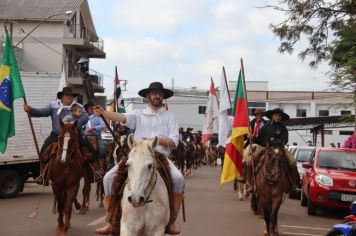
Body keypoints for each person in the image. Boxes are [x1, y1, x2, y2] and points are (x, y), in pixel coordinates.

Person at [95, 82, 184, 235]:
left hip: (160, 155)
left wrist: (155, 140)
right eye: (154, 93)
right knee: (108, 178)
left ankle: (171, 222)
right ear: (148, 96)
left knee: (178, 179)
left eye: (159, 93)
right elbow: (120, 117)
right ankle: (111, 220)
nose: (157, 95)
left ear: (163, 96)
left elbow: (174, 142)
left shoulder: (170, 116)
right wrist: (104, 113)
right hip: (137, 155)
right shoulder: (137, 114)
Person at [23, 87, 89, 185]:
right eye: (67, 95)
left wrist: (73, 125)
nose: (69, 97)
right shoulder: (53, 105)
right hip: (57, 135)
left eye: (71, 95)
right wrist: (30, 110)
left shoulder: (78, 106)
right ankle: (43, 175)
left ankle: (93, 172)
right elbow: (42, 112)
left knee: (90, 149)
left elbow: (85, 117)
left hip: (74, 135)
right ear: (61, 96)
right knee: (43, 152)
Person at [246, 108, 299, 193]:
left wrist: (276, 141)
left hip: (280, 148)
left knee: (292, 162)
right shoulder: (265, 127)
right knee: (249, 161)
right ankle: (251, 184)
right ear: (272, 116)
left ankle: (294, 185)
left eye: (279, 116)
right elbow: (259, 139)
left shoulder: (283, 128)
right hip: (265, 148)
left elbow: (285, 140)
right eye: (276, 115)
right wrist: (252, 138)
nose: (277, 117)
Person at [84, 102, 106, 171]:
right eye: (90, 107)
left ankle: (101, 168)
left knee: (102, 150)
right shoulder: (83, 118)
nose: (91, 109)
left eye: (93, 108)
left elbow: (103, 125)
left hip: (96, 136)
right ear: (87, 109)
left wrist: (94, 128)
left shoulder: (98, 117)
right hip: (85, 136)